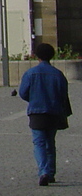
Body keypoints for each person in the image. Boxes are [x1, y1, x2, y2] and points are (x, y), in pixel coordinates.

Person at [18, 42, 73, 186]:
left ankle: (43, 171)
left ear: (37, 56)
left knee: (39, 142)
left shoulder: (30, 73)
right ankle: (51, 172)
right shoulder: (58, 74)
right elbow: (63, 94)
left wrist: (35, 97)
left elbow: (23, 93)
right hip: (53, 112)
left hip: (36, 112)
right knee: (50, 142)